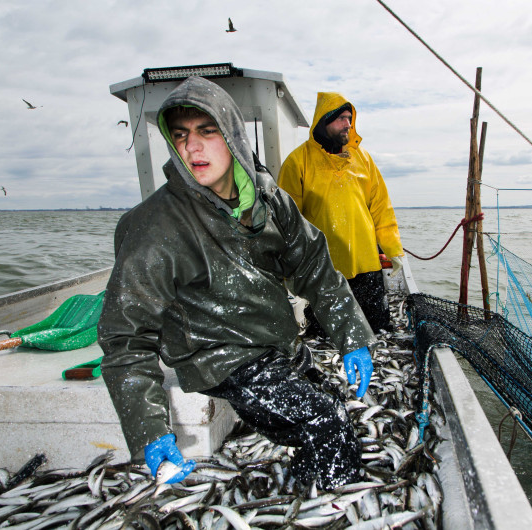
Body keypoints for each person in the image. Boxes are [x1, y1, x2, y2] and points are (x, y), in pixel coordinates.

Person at [97, 76, 376, 491]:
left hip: (273, 339)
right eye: (181, 136)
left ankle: (303, 487)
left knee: (332, 401)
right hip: (218, 355)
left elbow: (314, 263)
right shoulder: (154, 227)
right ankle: (332, 504)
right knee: (325, 421)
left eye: (206, 132)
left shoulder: (268, 199)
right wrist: (149, 429)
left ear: (232, 135)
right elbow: (126, 338)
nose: (192, 148)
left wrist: (352, 335)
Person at [278, 92, 404, 334]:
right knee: (326, 334)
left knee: (376, 327)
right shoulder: (297, 161)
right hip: (323, 268)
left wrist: (393, 248)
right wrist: (291, 266)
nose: (348, 124)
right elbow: (288, 219)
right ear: (323, 122)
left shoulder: (363, 158)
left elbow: (381, 206)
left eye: (349, 118)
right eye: (341, 119)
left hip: (366, 262)